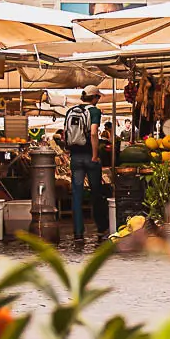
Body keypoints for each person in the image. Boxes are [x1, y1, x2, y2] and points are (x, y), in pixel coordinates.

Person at [63, 85, 108, 240]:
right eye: (98, 97)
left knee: (77, 194)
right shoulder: (94, 111)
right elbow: (94, 132)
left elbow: (65, 133)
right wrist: (95, 155)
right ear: (94, 97)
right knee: (96, 192)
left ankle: (78, 232)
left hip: (75, 157)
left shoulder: (70, 111)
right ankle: (101, 228)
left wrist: (70, 151)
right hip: (89, 156)